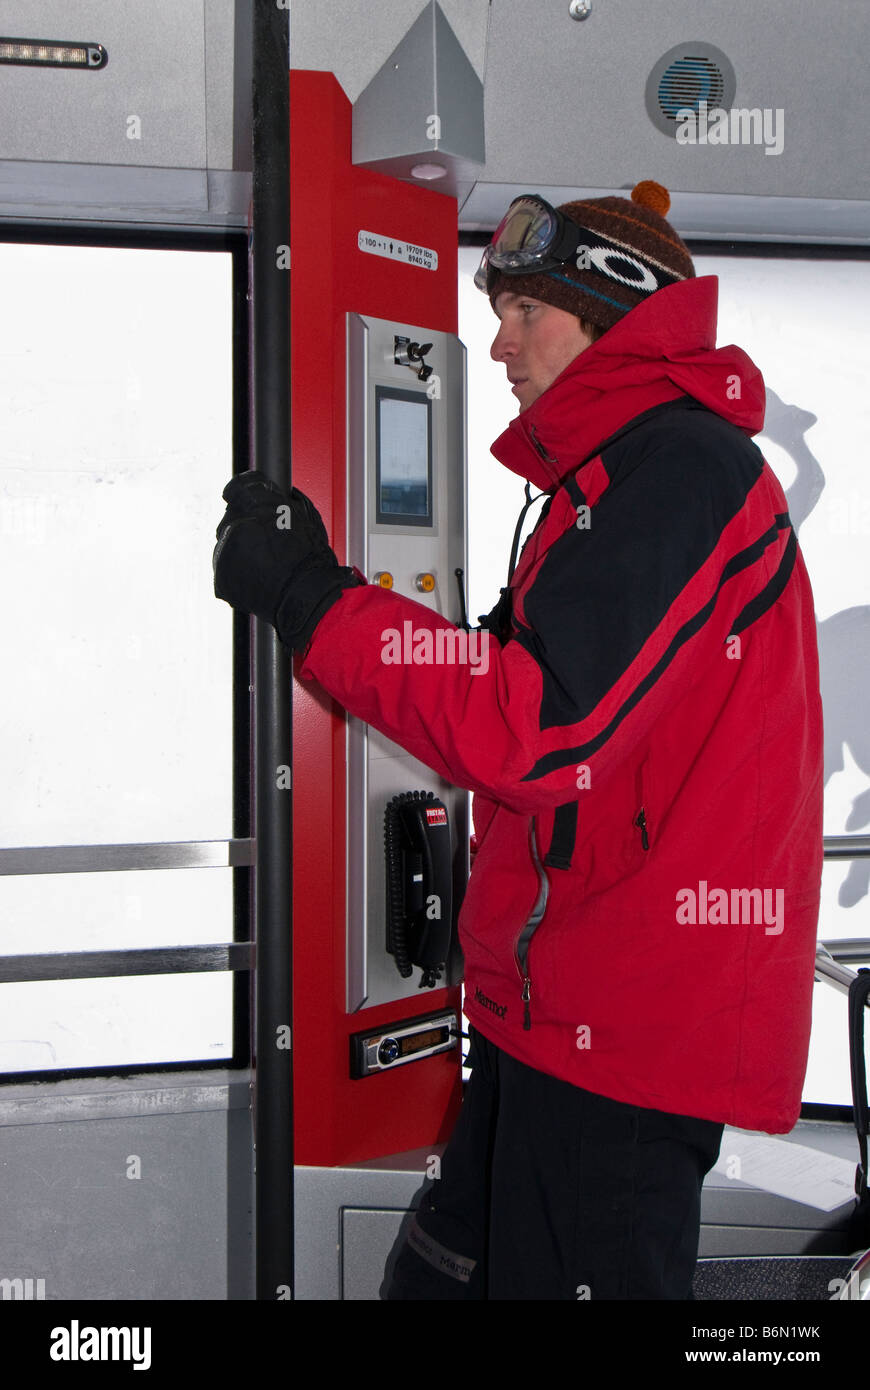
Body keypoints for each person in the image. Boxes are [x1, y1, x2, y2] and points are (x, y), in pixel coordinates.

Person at [213, 181, 824, 1300]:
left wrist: (312, 600)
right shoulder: (605, 484)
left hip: (622, 1045)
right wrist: (330, 599)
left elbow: (536, 731)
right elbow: (505, 685)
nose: (495, 343)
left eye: (522, 311)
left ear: (605, 314)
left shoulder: (682, 475)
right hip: (549, 1017)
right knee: (441, 1279)